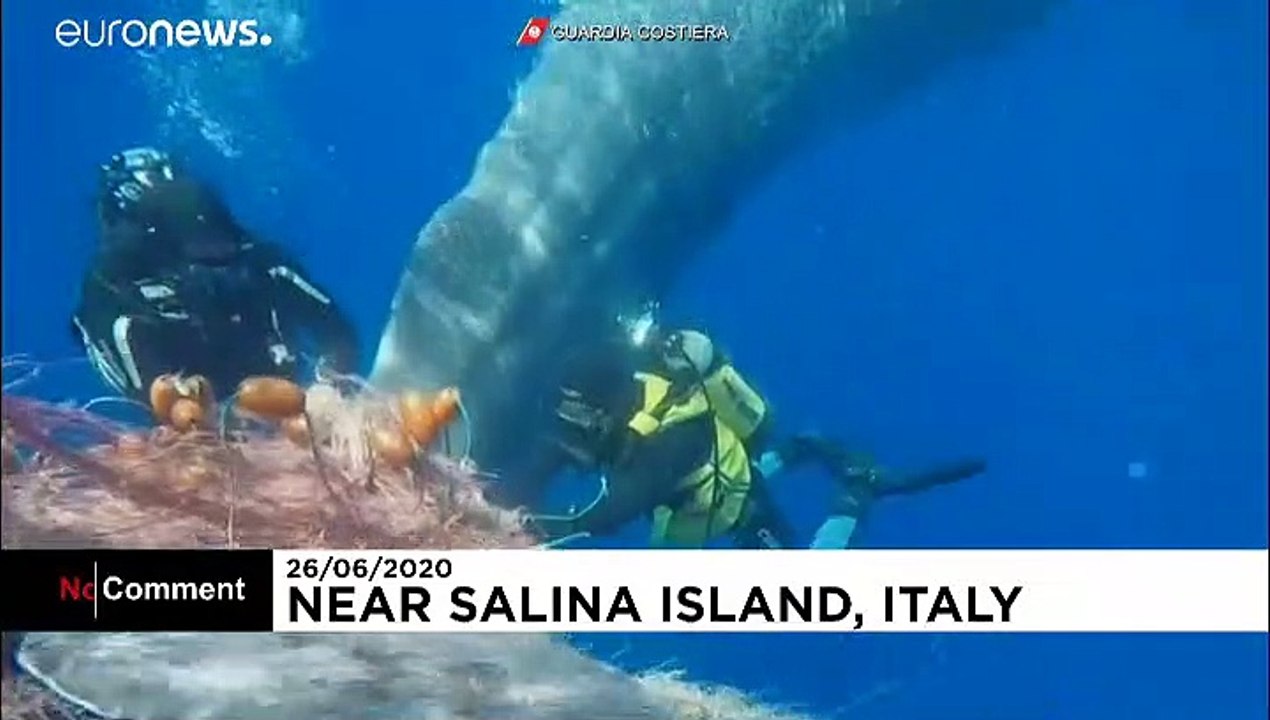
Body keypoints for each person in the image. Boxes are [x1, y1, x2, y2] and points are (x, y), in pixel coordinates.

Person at [523, 305, 986, 549]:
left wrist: (514, 527)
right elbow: (556, 450)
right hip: (707, 471)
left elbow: (603, 517)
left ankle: (855, 495)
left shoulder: (662, 445)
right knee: (723, 475)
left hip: (732, 501)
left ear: (602, 409)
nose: (571, 428)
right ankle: (799, 450)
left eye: (577, 417)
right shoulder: (635, 389)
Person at [70, 147, 359, 401]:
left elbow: (336, 332)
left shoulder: (261, 266)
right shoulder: (115, 291)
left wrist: (327, 391)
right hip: (214, 399)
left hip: (260, 392)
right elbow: (156, 397)